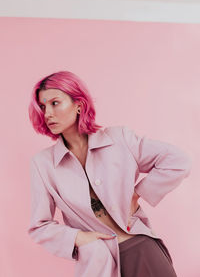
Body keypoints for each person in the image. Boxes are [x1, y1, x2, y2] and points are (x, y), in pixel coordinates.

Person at [27, 70, 192, 277]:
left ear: (78, 104)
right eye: (42, 107)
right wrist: (78, 237)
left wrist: (137, 194)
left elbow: (179, 161)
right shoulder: (43, 164)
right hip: (99, 265)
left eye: (55, 103)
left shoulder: (119, 139)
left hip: (142, 250)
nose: (47, 113)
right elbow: (39, 226)